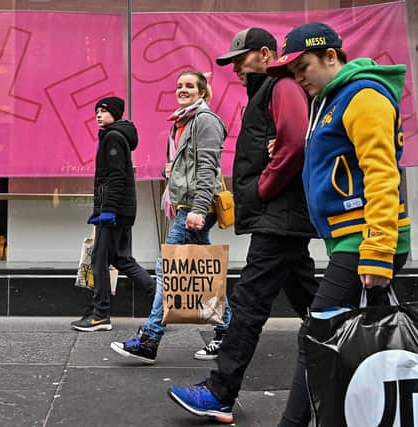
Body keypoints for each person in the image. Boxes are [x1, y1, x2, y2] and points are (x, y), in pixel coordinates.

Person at [167, 28, 319, 424]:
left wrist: (266, 186)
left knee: (249, 303)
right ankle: (356, 357)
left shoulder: (279, 85)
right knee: (315, 304)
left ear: (267, 54)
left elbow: (297, 143)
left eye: (242, 58)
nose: (234, 66)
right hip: (282, 218)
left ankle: (220, 392)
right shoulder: (268, 90)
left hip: (279, 218)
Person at [264, 22, 411, 426]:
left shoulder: (362, 96)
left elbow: (382, 176)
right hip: (352, 238)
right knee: (361, 337)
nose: (298, 78)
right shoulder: (330, 100)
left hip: (365, 239)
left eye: (303, 67)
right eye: (293, 73)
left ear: (332, 56)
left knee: (317, 333)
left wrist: (378, 253)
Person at [110, 70, 232, 364]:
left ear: (202, 92)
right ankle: (229, 332)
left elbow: (208, 168)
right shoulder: (182, 121)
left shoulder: (204, 121)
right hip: (186, 205)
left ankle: (149, 339)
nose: (183, 89)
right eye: (179, 85)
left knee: (168, 268)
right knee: (202, 270)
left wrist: (199, 210)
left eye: (190, 86)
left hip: (195, 206)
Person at [71, 96, 155, 332]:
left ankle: (100, 315)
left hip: (115, 211)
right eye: (96, 111)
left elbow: (116, 177)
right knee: (121, 259)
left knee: (99, 259)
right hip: (122, 210)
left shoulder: (113, 137)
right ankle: (162, 303)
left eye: (103, 111)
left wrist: (106, 211)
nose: (98, 114)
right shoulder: (116, 135)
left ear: (115, 114)